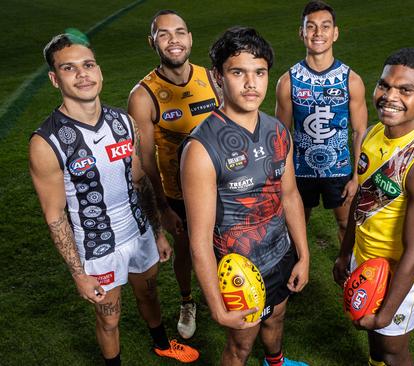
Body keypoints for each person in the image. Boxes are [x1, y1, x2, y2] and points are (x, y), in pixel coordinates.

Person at [29, 33, 199, 365]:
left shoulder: (124, 123)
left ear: (100, 71)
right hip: (97, 248)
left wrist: (157, 233)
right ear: (54, 78)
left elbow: (140, 182)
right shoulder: (46, 142)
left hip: (138, 234)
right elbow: (54, 215)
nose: (82, 74)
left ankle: (162, 344)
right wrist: (79, 273)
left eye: (88, 65)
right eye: (69, 68)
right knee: (109, 318)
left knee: (150, 296)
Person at [180, 27, 310, 366]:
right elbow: (198, 240)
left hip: (280, 255)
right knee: (239, 348)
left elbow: (291, 195)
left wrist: (304, 254)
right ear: (217, 77)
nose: (251, 83)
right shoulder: (200, 149)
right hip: (240, 270)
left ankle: (276, 363)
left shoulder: (278, 131)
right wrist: (216, 306)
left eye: (260, 72)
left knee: (276, 317)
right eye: (238, 72)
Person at [333, 48, 414, 366]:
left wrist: (386, 313)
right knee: (375, 346)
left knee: (393, 350)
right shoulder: (374, 133)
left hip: (398, 275)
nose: (390, 96)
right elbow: (360, 200)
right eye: (385, 85)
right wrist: (346, 253)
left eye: (405, 90)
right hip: (365, 261)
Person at [128, 9, 221, 339]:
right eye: (164, 34)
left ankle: (233, 291)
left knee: (228, 246)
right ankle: (187, 300)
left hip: (222, 187)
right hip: (177, 194)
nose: (174, 40)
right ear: (152, 42)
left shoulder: (212, 78)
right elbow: (144, 161)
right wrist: (163, 210)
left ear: (190, 38)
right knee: (186, 252)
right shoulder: (143, 95)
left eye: (179, 32)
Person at [275, 0, 367, 243]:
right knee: (295, 227)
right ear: (302, 32)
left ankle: (349, 274)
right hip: (299, 172)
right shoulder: (288, 81)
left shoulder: (351, 80)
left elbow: (359, 132)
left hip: (340, 169)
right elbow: (282, 134)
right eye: (311, 27)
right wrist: (285, 177)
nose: (318, 33)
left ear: (335, 33)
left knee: (346, 224)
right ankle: (296, 274)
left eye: (325, 27)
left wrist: (357, 177)